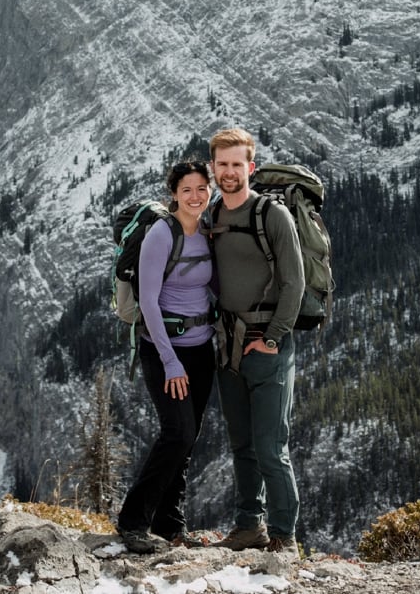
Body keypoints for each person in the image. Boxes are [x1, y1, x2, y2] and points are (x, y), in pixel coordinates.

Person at [208, 127, 304, 554]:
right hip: (227, 347)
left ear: (251, 167)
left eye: (236, 164)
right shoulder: (212, 215)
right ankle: (250, 525)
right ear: (213, 168)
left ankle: (285, 537)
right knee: (241, 445)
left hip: (267, 346)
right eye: (222, 164)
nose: (229, 172)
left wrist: (274, 338)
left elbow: (295, 282)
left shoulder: (272, 215)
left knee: (271, 448)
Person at [115, 159, 218, 554]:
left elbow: (215, 287)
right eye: (186, 189)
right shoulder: (162, 233)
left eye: (201, 188)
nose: (195, 196)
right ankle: (132, 521)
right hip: (165, 350)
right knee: (176, 434)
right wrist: (170, 360)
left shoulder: (207, 233)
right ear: (173, 194)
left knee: (187, 440)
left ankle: (170, 524)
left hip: (201, 349)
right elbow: (149, 301)